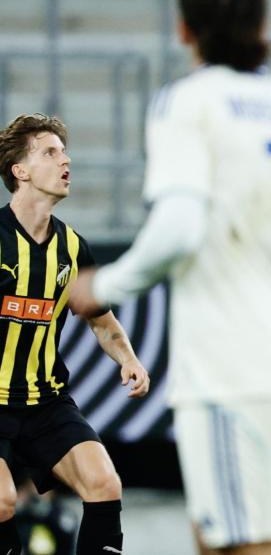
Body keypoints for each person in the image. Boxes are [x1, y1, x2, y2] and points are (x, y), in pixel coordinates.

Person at [69, 0, 271, 555]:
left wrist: (106, 282)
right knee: (225, 539)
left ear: (184, 30)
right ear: (262, 26)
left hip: (226, 369)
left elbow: (179, 227)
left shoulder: (189, 103)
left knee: (243, 547)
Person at [0, 114, 151, 555]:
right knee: (4, 502)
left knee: (104, 483)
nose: (66, 160)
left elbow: (101, 322)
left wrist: (128, 358)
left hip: (44, 401)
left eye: (65, 152)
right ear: (20, 171)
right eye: (50, 152)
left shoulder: (72, 247)